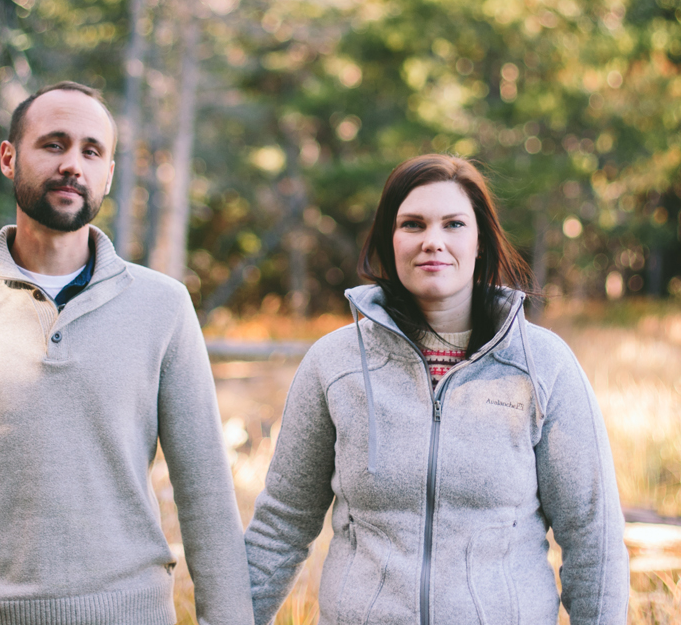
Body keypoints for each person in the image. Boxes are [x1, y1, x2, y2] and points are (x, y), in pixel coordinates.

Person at [0, 81, 252, 625]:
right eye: (53, 144)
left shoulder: (163, 306)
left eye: (91, 150)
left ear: (109, 173)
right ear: (9, 157)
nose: (73, 163)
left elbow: (207, 496)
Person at [243, 153, 628, 625]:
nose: (433, 242)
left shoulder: (542, 365)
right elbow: (281, 526)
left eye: (453, 224)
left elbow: (593, 537)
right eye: (413, 224)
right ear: (390, 239)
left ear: (480, 241)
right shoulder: (335, 364)